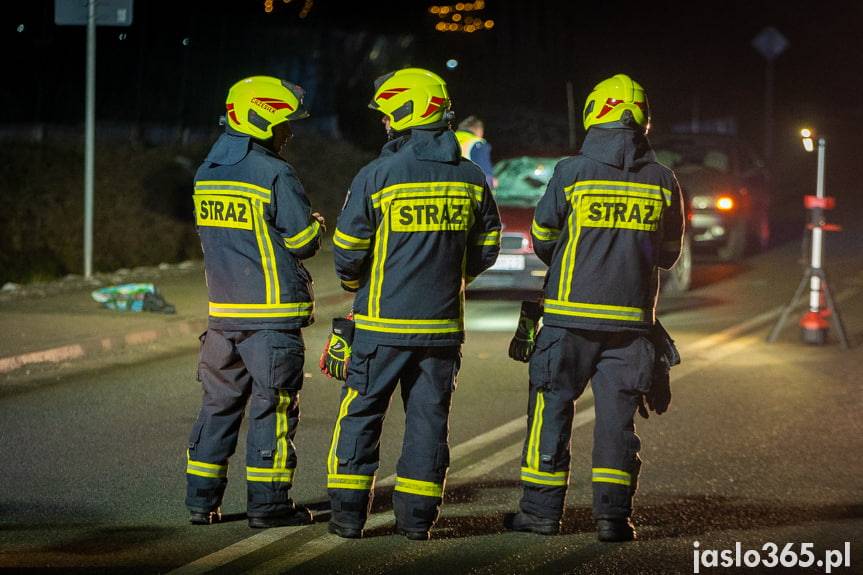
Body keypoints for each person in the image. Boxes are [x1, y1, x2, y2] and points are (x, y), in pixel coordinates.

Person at [503, 73, 685, 541]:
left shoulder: (571, 172)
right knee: (617, 422)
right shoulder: (664, 180)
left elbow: (543, 237)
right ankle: (613, 518)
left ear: (593, 114)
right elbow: (668, 254)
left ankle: (541, 513)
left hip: (567, 318)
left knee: (551, 410)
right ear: (643, 118)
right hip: (631, 325)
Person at [323, 67, 501, 540]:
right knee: (428, 421)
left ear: (407, 113)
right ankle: (418, 520)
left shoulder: (377, 175)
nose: (383, 122)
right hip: (441, 329)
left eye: (387, 114)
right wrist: (452, 277)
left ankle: (347, 517)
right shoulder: (471, 178)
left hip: (380, 326)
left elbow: (347, 250)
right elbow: (486, 249)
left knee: (361, 414)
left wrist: (355, 282)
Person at [184, 76, 324, 528]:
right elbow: (303, 242)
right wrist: (316, 224)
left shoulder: (207, 171)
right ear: (262, 123)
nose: (290, 132)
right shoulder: (274, 173)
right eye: (285, 124)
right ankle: (268, 506)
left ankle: (201, 503)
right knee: (274, 408)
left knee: (218, 407)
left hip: (223, 317)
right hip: (271, 320)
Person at [454, 116, 497, 188]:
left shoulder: (444, 141)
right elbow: (485, 178)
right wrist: (492, 182)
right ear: (479, 130)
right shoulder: (476, 143)